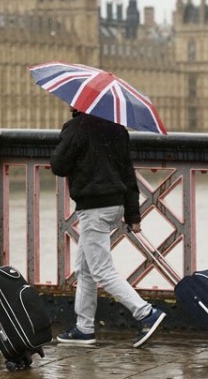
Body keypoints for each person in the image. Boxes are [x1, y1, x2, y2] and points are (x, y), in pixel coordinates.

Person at [50, 108, 166, 348]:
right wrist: (133, 215)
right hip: (116, 205)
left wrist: (68, 135)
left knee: (102, 270)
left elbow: (59, 165)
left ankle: (145, 312)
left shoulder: (77, 127)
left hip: (94, 207)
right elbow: (128, 173)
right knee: (84, 270)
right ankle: (84, 329)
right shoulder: (117, 129)